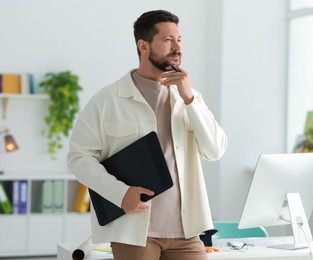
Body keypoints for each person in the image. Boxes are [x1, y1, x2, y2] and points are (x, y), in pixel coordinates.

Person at [68, 9, 228, 260]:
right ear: (143, 46)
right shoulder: (107, 100)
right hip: (135, 231)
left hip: (186, 232)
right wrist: (120, 194)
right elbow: (79, 158)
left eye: (179, 39)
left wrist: (190, 99)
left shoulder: (189, 97)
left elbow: (215, 150)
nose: (177, 48)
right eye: (167, 40)